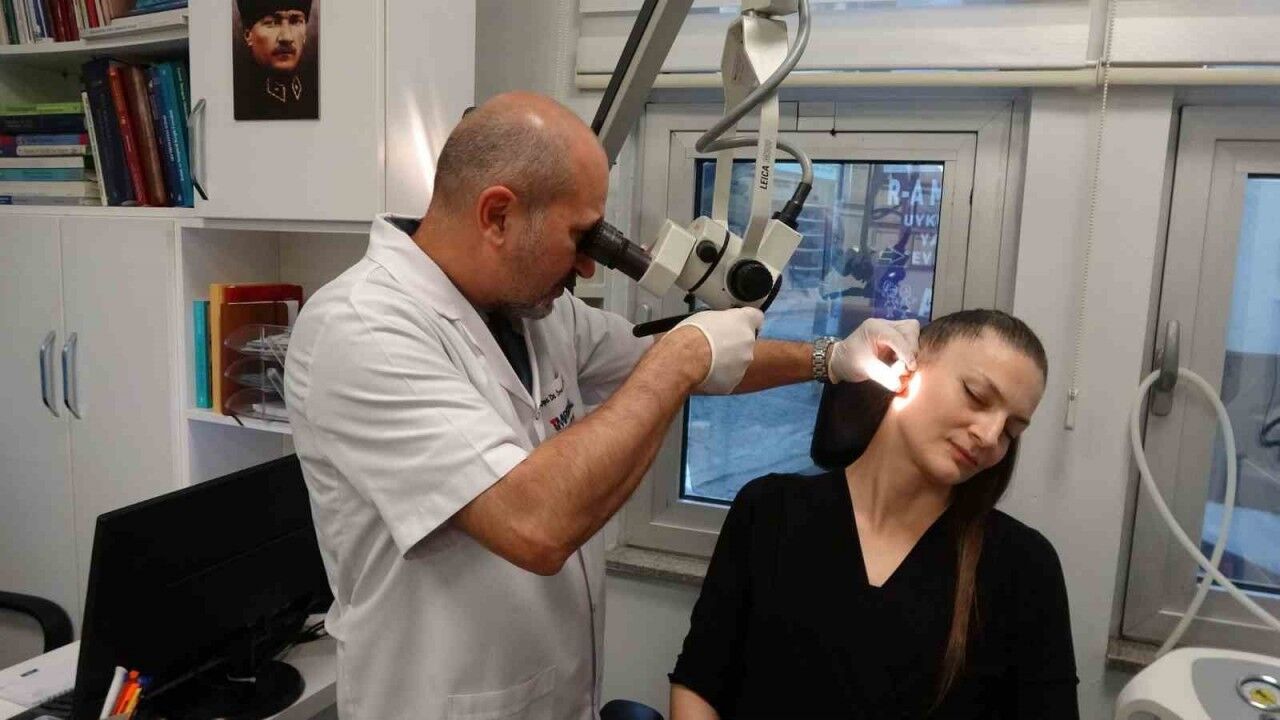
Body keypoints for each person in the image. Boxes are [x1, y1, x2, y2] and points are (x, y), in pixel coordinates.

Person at [283, 91, 920, 719]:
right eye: (579, 237)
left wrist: (832, 358)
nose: (590, 269)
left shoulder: (536, 313)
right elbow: (534, 525)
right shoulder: (362, 328)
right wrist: (682, 357)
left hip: (552, 692)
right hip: (436, 700)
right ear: (498, 215)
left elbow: (681, 360)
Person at [669, 309, 1079, 719]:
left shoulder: (1024, 567)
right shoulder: (769, 510)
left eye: (1011, 430)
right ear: (907, 366)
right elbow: (699, 683)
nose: (989, 436)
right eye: (975, 395)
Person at [234, 0, 318, 121]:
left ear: (305, 34)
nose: (286, 37)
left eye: (295, 21)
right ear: (248, 35)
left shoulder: (316, 95)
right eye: (272, 23)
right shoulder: (239, 102)